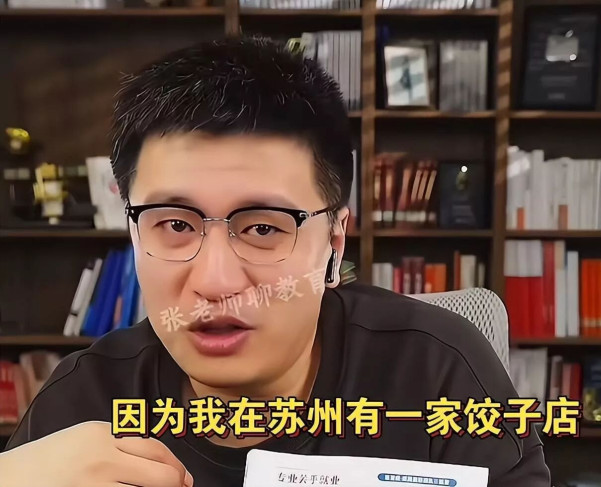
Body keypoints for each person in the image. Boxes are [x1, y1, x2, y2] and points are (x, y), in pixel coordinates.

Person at [0, 36, 551, 487]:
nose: (216, 281)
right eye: (176, 225)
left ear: (335, 242)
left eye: (263, 228)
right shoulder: (82, 402)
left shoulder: (439, 374)